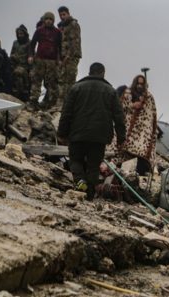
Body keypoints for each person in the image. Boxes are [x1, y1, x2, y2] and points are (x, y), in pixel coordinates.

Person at [57, 62, 126, 200]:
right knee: (93, 166)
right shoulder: (111, 92)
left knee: (75, 160)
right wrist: (121, 139)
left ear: (89, 72)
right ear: (103, 73)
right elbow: (119, 117)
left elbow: (66, 113)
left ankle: (79, 181)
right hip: (99, 137)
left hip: (77, 133)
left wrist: (62, 133)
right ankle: (88, 194)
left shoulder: (76, 88)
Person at [110, 75, 157, 175]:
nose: (139, 86)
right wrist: (132, 106)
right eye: (138, 83)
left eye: (141, 84)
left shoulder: (148, 97)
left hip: (141, 133)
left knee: (139, 158)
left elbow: (150, 115)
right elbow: (120, 108)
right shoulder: (126, 94)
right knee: (120, 153)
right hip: (126, 129)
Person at [28, 11, 61, 110]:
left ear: (53, 21)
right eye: (47, 19)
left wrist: (60, 60)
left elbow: (60, 47)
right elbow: (32, 44)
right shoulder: (39, 31)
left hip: (52, 61)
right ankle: (33, 102)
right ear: (44, 20)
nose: (49, 21)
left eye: (51, 19)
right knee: (37, 80)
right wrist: (30, 55)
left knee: (51, 82)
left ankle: (50, 104)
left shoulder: (57, 32)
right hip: (39, 59)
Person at [56, 6, 81, 111]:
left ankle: (69, 105)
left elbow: (75, 42)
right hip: (62, 57)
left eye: (64, 14)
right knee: (61, 79)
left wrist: (68, 56)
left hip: (71, 57)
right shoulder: (61, 27)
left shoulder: (73, 25)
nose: (62, 17)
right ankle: (60, 103)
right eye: (60, 15)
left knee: (69, 80)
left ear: (68, 13)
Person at [10, 25, 31, 101]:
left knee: (19, 74)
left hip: (25, 67)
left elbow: (31, 55)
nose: (20, 35)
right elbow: (12, 53)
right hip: (15, 65)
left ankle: (23, 96)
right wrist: (13, 57)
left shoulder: (29, 43)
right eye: (18, 34)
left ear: (25, 34)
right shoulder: (15, 43)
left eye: (21, 33)